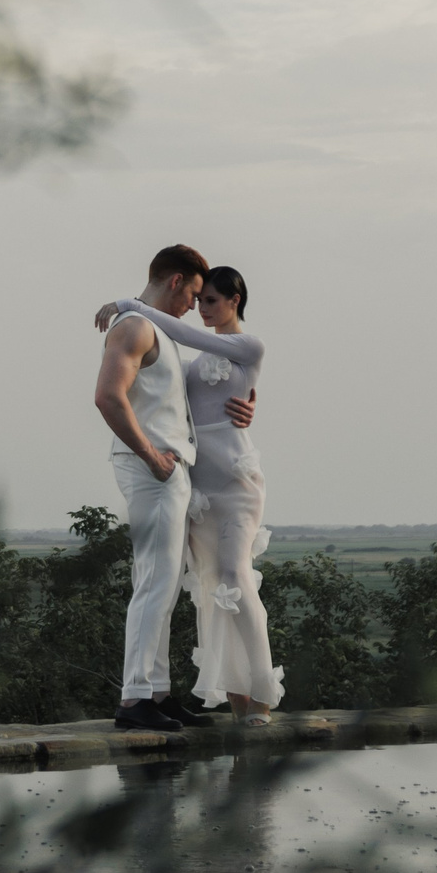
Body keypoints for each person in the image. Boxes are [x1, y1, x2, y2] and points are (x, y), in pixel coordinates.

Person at [99, 264, 279, 724]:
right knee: (205, 589)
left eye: (211, 300)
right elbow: (169, 396)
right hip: (196, 486)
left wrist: (129, 305)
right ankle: (227, 694)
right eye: (198, 300)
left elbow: (195, 340)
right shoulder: (188, 364)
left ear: (235, 300)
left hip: (235, 481)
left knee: (237, 578)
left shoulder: (247, 345)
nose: (201, 309)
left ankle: (262, 693)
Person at [92, 244, 210, 733]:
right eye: (194, 295)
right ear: (177, 280)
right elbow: (107, 397)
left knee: (164, 584)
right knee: (154, 583)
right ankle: (134, 699)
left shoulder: (155, 328)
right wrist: (152, 457)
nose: (194, 309)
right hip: (153, 470)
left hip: (170, 470)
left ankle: (156, 693)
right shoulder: (136, 328)